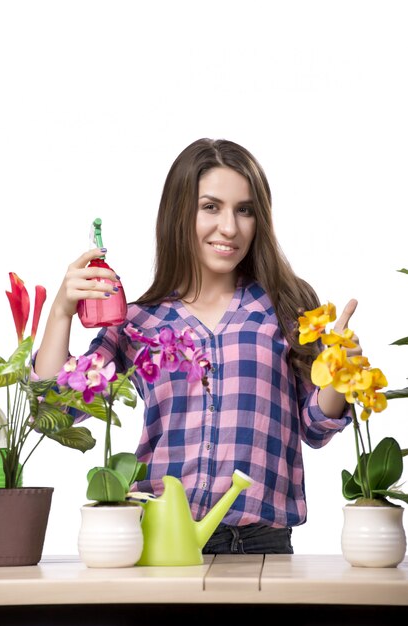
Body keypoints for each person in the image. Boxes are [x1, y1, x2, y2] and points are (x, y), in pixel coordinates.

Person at [34, 137, 361, 555]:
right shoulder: (139, 322)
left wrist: (340, 374)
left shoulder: (286, 307)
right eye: (211, 207)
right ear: (179, 213)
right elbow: (56, 409)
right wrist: (61, 311)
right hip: (158, 542)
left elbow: (315, 427)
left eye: (245, 210)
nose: (230, 227)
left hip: (260, 545)